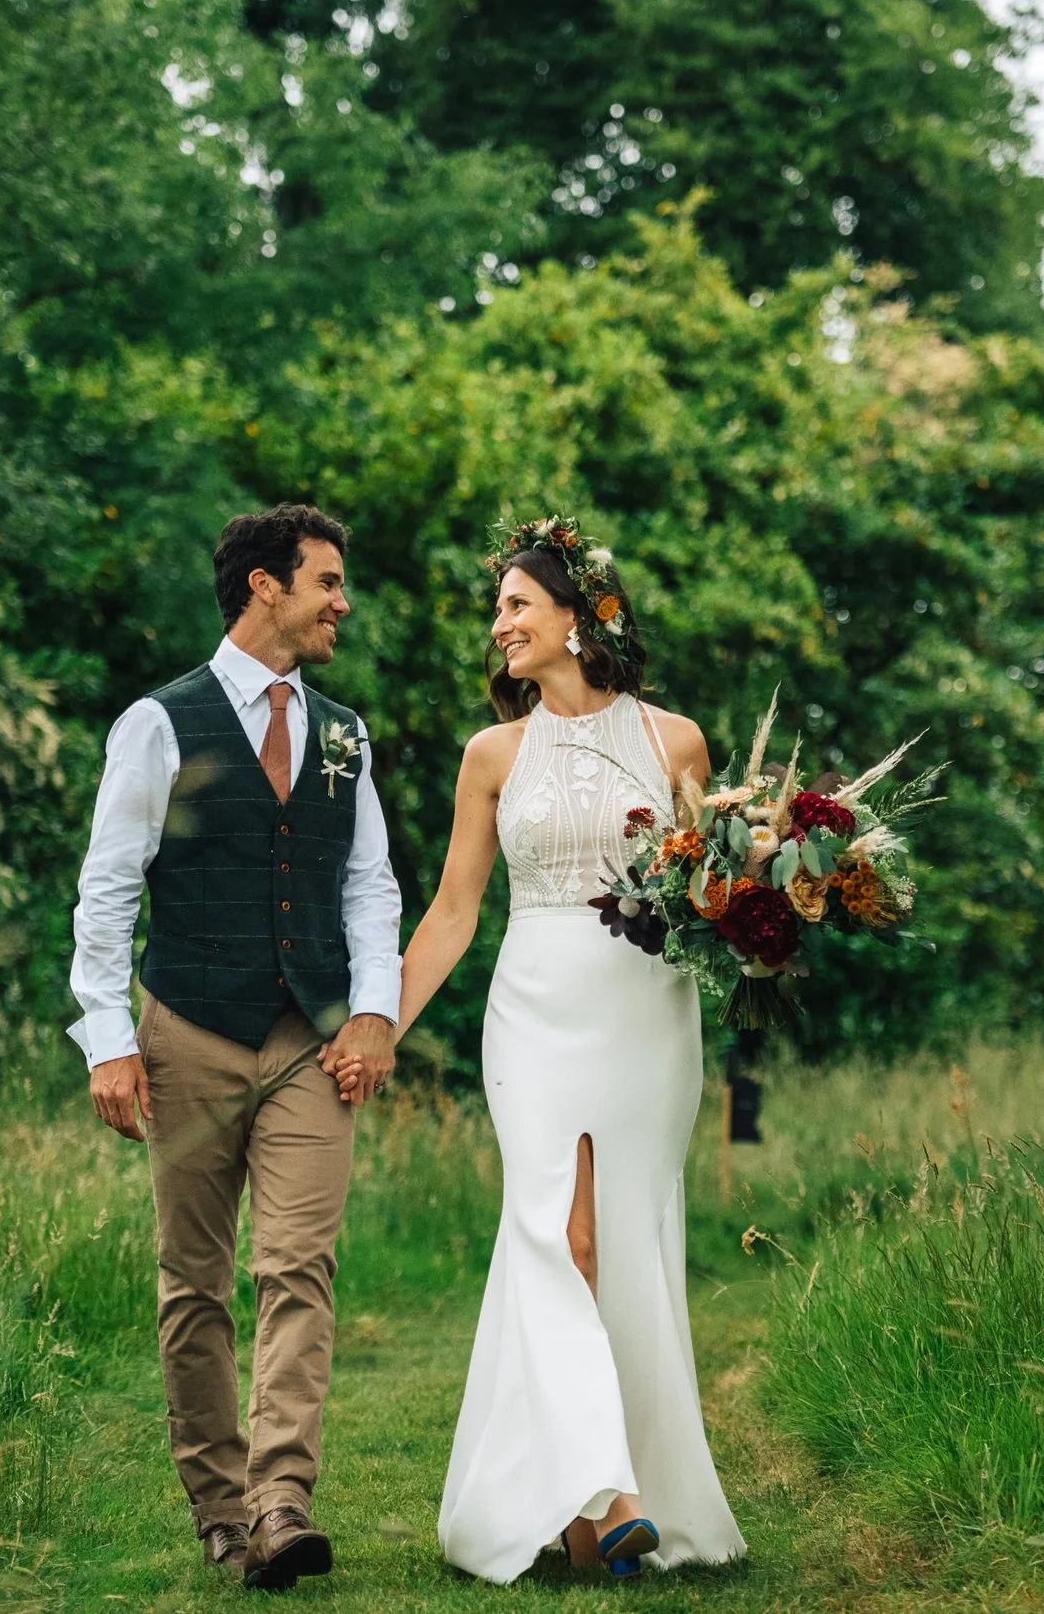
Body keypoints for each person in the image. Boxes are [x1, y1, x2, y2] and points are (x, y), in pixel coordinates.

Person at [367, 517, 747, 1582]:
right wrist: (377, 1024)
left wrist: (769, 908)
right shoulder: (492, 753)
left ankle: (586, 1520)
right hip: (532, 1007)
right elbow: (450, 912)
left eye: (516, 604)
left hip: (646, 1012)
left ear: (579, 617)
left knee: (624, 1242)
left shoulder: (675, 741)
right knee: (559, 1237)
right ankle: (613, 1493)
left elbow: (708, 892)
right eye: (499, 610)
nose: (499, 625)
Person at [68, 504, 402, 1591]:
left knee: (298, 1264)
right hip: (188, 1030)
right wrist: (107, 1040)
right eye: (327, 582)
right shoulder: (158, 723)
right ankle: (219, 1510)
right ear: (266, 585)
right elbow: (108, 888)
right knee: (195, 1283)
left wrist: (371, 1011)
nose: (341, 603)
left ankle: (281, 1499)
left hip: (309, 1033)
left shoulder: (345, 733)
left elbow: (369, 886)